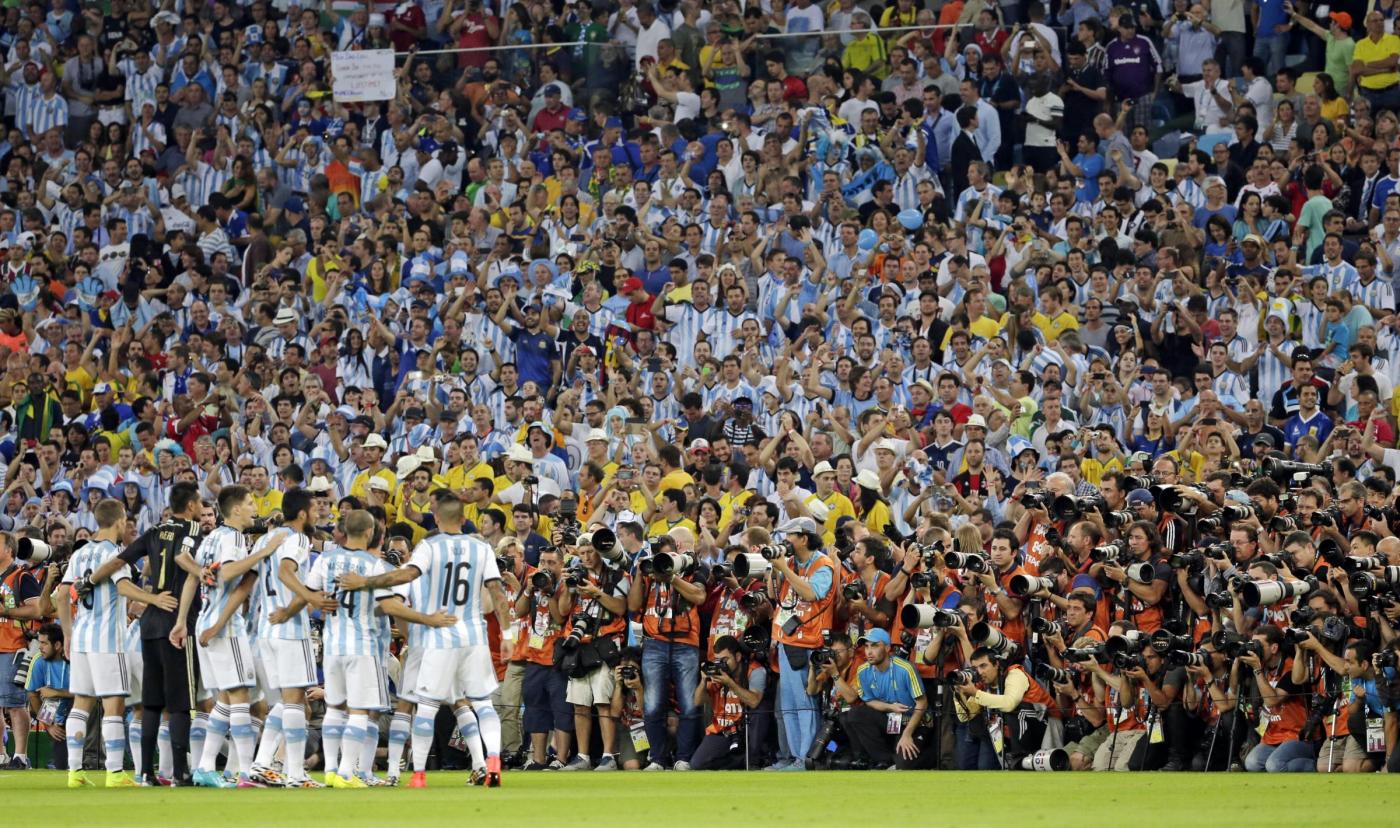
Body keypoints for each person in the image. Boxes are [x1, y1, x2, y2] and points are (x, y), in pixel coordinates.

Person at [335, 491, 512, 789]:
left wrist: (364, 582)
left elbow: (403, 581)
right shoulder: (481, 548)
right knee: (479, 703)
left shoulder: (429, 548)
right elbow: (496, 592)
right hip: (473, 636)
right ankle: (491, 761)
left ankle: (415, 773)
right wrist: (508, 634)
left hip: (436, 638)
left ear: (437, 518)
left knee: (425, 706)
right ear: (465, 519)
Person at [55, 498, 178, 788]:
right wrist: (153, 599)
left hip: (82, 638)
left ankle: (74, 772)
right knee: (114, 704)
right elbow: (123, 587)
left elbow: (62, 595)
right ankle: (114, 772)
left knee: (81, 704)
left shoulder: (80, 553)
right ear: (121, 520)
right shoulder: (114, 553)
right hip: (108, 640)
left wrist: (67, 633)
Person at [838, 628, 930, 769]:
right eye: (866, 646)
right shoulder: (863, 671)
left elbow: (922, 703)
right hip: (890, 721)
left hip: (915, 724)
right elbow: (869, 701)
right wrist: (890, 707)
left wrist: (907, 734)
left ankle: (921, 756)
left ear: (887, 648)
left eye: (875, 646)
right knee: (854, 714)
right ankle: (884, 761)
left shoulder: (905, 668)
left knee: (904, 764)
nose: (869, 652)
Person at [689, 635, 766, 770]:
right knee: (697, 764)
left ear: (738, 657)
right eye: (718, 660)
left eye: (725, 660)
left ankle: (752, 760)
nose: (721, 664)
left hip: (746, 729)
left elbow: (754, 701)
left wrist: (730, 683)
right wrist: (703, 681)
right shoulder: (716, 672)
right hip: (723, 729)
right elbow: (697, 701)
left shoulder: (755, 670)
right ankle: (740, 761)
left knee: (761, 710)